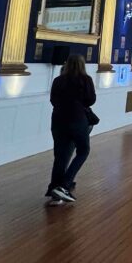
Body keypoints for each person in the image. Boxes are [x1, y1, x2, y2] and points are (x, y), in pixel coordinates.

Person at [46, 54, 96, 205]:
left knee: (60, 156)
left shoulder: (58, 80)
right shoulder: (85, 79)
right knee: (83, 151)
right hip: (78, 119)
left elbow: (53, 100)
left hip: (58, 120)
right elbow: (91, 100)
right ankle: (65, 184)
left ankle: (55, 193)